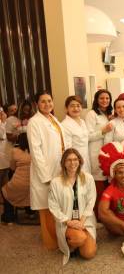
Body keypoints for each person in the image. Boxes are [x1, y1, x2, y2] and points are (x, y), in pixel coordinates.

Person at [27, 91, 66, 250]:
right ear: (37, 104)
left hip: (58, 168)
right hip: (46, 172)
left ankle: (60, 238)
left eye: (49, 101)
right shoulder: (34, 122)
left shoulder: (53, 119)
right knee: (47, 209)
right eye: (43, 102)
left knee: (57, 206)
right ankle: (51, 243)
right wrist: (46, 176)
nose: (47, 104)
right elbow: (35, 151)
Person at [48, 149, 97, 265]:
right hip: (66, 222)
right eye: (68, 160)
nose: (72, 163)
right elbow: (53, 206)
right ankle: (73, 243)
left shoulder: (88, 178)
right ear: (64, 163)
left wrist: (81, 221)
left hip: (84, 220)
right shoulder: (56, 182)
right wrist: (68, 222)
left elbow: (91, 201)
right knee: (80, 238)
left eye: (75, 159)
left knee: (89, 253)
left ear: (79, 161)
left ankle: (80, 241)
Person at [85, 89, 113, 217]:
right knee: (98, 186)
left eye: (107, 98)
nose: (105, 100)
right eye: (101, 98)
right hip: (96, 153)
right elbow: (88, 136)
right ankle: (98, 215)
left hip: (108, 153)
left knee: (107, 184)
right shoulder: (91, 114)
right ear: (96, 100)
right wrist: (103, 130)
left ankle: (106, 213)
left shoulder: (108, 114)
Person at [1, 133, 31, 224]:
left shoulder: (15, 151)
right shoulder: (35, 152)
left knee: (4, 191)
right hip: (32, 183)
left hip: (18, 183)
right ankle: (30, 212)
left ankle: (9, 216)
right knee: (29, 193)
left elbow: (12, 167)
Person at [62, 96, 91, 173]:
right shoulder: (65, 125)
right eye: (72, 106)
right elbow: (67, 148)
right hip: (74, 162)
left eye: (78, 106)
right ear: (66, 108)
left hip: (86, 159)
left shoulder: (82, 122)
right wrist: (73, 162)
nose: (76, 108)